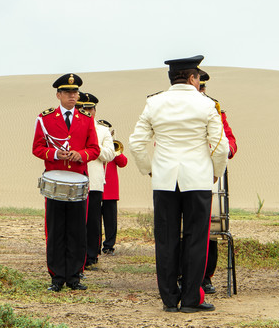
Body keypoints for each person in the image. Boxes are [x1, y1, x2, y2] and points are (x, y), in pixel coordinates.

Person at [130, 55, 229, 313]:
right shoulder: (206, 104)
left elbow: (137, 143)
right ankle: (191, 299)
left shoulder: (154, 103)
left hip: (164, 181)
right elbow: (220, 146)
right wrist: (215, 173)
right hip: (197, 179)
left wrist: (150, 170)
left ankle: (169, 299)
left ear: (171, 78)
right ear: (193, 78)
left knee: (166, 239)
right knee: (197, 238)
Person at [32, 74, 100, 291]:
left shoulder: (86, 119)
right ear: (58, 95)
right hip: (55, 182)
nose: (73, 96)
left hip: (78, 182)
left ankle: (74, 275)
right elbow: (37, 148)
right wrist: (55, 154)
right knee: (55, 229)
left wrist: (80, 155)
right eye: (69, 92)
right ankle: (56, 276)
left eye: (76, 92)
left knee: (77, 230)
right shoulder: (45, 119)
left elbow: (94, 149)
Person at [198, 70, 238, 295]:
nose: (200, 91)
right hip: (183, 175)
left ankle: (205, 276)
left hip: (209, 176)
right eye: (198, 86)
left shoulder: (216, 110)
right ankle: (182, 274)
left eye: (203, 88)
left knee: (209, 228)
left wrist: (227, 150)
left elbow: (231, 139)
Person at [76, 92, 116, 269]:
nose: (88, 112)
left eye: (90, 109)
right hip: (76, 180)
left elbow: (109, 154)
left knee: (93, 221)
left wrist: (93, 148)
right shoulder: (74, 127)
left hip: (95, 181)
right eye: (84, 109)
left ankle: (92, 256)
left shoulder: (102, 130)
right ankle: (77, 255)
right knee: (77, 221)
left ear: (95, 110)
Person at [101, 130, 128, 256]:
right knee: (94, 221)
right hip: (96, 189)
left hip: (110, 192)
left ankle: (109, 246)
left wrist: (113, 147)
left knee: (110, 222)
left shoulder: (113, 149)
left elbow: (123, 163)